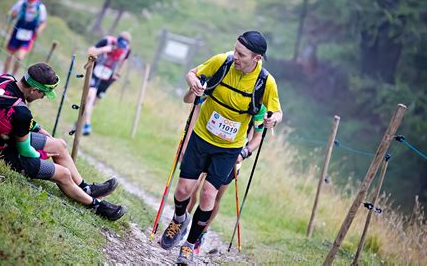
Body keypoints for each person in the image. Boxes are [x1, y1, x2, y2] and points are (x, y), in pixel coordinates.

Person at [159, 31, 283, 265]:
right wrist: (193, 82)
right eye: (235, 50)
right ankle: (178, 219)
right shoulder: (221, 61)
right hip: (201, 136)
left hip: (229, 148)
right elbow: (192, 73)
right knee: (184, 190)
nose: (234, 56)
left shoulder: (265, 82)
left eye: (241, 54)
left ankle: (188, 245)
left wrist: (272, 120)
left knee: (208, 196)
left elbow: (277, 111)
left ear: (257, 58)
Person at [0, 62, 127, 221]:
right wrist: (42, 153)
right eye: (43, 94)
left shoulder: (7, 79)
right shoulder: (22, 112)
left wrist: (44, 134)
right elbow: (25, 150)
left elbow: (15, 118)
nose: (42, 98)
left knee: (60, 145)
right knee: (63, 174)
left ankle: (86, 188)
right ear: (34, 90)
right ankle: (96, 206)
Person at [182, 88, 267, 254]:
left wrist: (244, 153)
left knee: (214, 196)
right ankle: (181, 223)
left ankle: (201, 233)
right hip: (206, 143)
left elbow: (256, 133)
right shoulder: (225, 86)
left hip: (231, 153)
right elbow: (195, 102)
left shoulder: (257, 102)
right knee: (192, 187)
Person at [82, 32, 132, 135]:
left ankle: (80, 122)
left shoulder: (127, 50)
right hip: (96, 72)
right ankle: (87, 124)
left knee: (94, 102)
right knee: (90, 97)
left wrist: (117, 74)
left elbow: (123, 62)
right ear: (116, 41)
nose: (119, 49)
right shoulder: (107, 41)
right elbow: (91, 51)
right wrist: (103, 49)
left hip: (108, 77)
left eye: (122, 47)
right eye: (119, 46)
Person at [3, 0, 47, 76]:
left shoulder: (40, 7)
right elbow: (12, 13)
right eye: (29, 1)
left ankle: (13, 76)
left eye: (32, 1)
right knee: (9, 54)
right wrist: (12, 15)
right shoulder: (21, 3)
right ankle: (4, 75)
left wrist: (39, 30)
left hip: (29, 33)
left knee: (20, 57)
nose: (30, 3)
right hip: (18, 30)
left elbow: (43, 22)